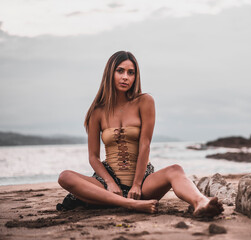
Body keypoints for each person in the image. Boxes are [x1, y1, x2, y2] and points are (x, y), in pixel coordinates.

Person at [57, 51, 223, 217]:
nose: (125, 77)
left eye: (131, 72)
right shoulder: (97, 112)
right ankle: (130, 204)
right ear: (110, 73)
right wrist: (109, 182)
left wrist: (136, 184)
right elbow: (93, 157)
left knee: (176, 169)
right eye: (120, 71)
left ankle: (201, 202)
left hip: (143, 182)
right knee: (65, 177)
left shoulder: (145, 102)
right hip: (108, 185)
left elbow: (145, 144)